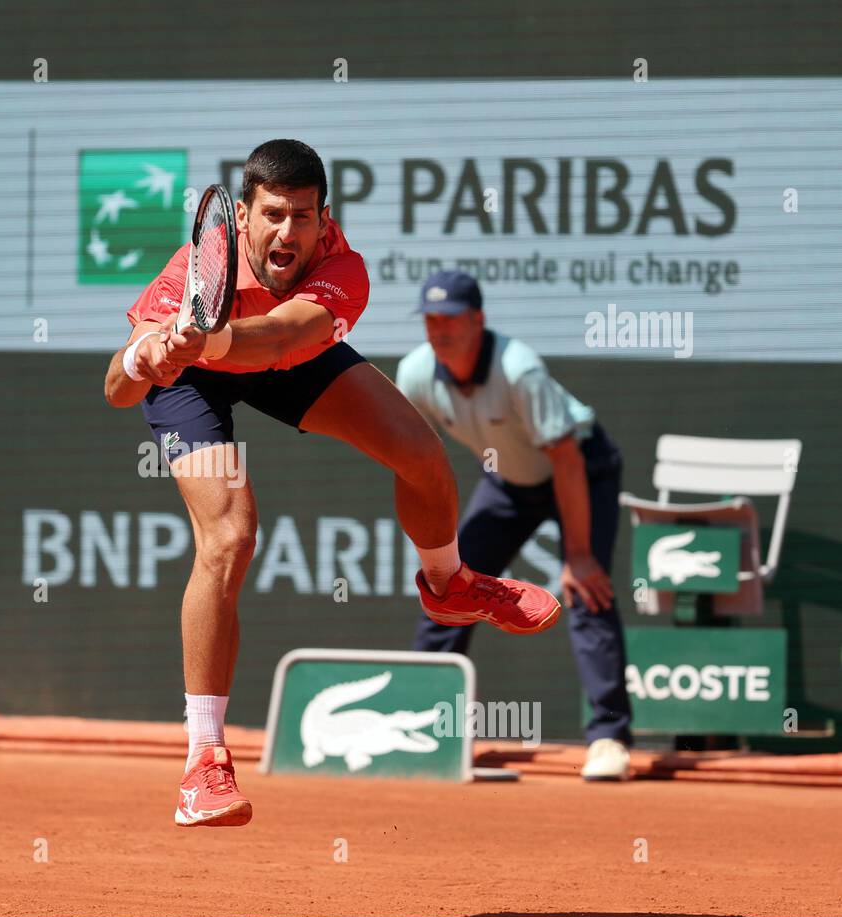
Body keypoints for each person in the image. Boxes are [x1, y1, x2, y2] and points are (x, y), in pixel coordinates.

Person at [103, 140, 561, 828]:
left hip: (268, 348)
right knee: (230, 538)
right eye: (275, 215)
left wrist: (213, 337)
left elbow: (284, 340)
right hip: (192, 380)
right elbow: (116, 388)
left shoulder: (342, 269)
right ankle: (204, 762)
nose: (289, 232)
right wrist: (151, 353)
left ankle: (450, 583)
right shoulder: (192, 273)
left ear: (325, 220)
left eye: (305, 217)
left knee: (422, 455)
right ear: (245, 218)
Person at [395, 269, 632, 780]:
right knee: (449, 587)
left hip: (579, 471)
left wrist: (579, 553)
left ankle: (609, 738)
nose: (439, 330)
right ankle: (422, 726)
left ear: (478, 320)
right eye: (431, 319)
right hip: (507, 481)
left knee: (587, 588)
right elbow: (408, 455)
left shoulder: (519, 369)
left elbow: (565, 459)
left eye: (451, 318)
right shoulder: (415, 374)